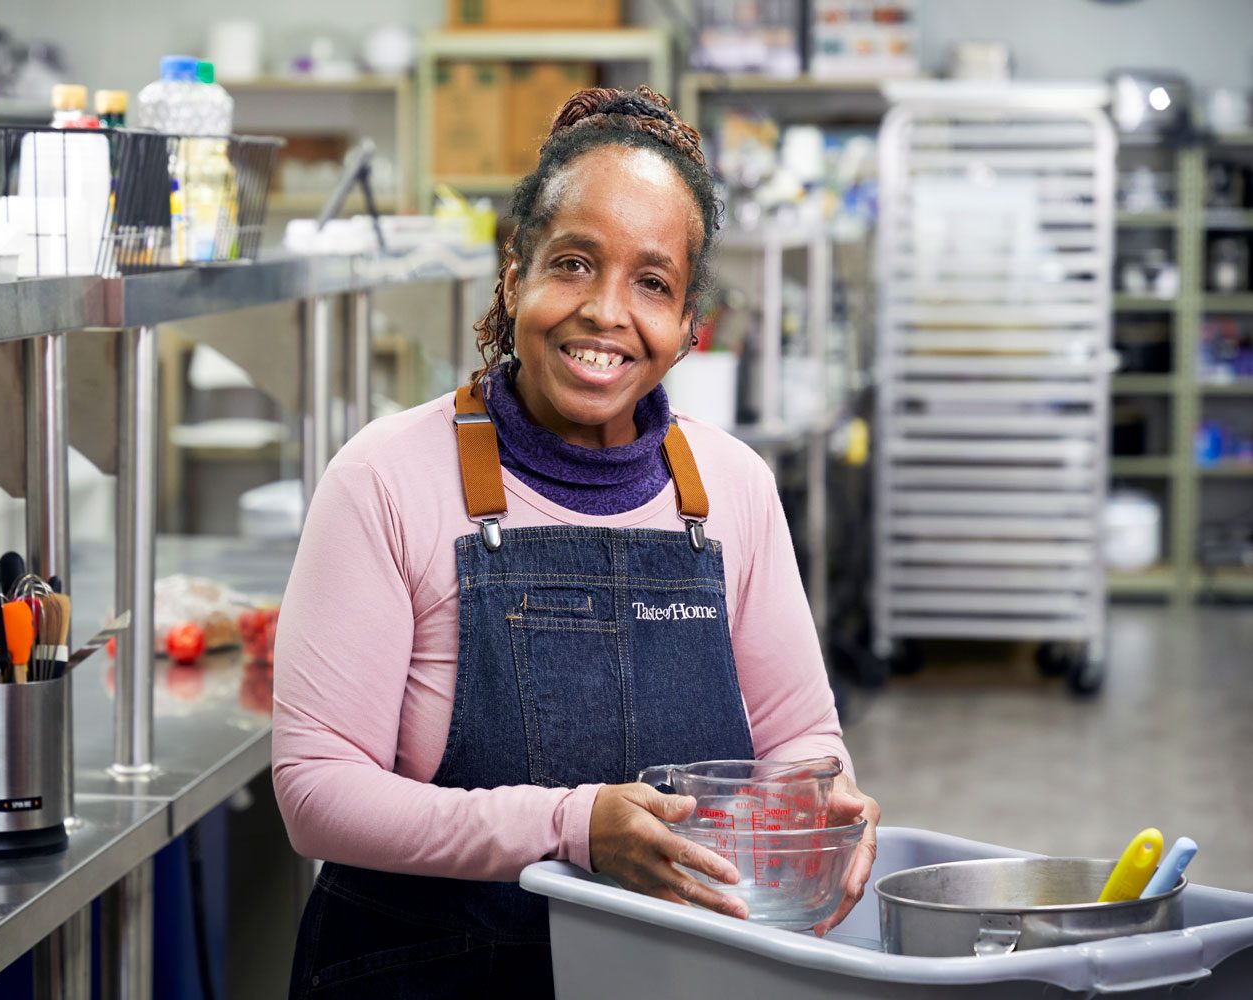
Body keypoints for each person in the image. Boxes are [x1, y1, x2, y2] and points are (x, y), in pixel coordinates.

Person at [273, 85, 880, 998]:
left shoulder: (735, 493)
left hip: (671, 975)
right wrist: (571, 824)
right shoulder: (386, 479)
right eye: (573, 264)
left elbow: (800, 737)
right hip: (424, 973)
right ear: (515, 277)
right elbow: (317, 792)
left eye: (652, 282)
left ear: (687, 327)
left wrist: (817, 809)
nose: (605, 312)